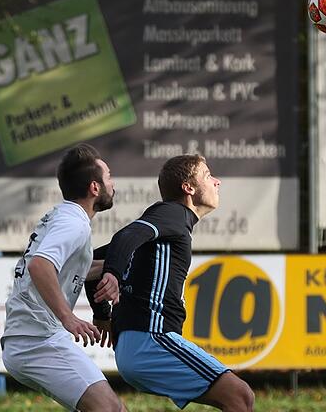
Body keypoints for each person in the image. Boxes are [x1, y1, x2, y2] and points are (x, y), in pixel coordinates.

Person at [100, 154, 254, 411]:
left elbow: (93, 261)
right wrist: (113, 274)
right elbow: (126, 235)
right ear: (188, 188)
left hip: (137, 346)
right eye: (207, 175)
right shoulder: (173, 213)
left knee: (233, 398)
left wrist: (102, 313)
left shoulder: (171, 224)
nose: (217, 182)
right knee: (240, 396)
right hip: (151, 339)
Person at [1, 143, 125, 412]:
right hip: (37, 342)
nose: (112, 183)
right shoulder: (74, 223)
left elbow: (72, 268)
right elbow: (40, 265)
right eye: (109, 177)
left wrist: (117, 267)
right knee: (110, 409)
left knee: (111, 408)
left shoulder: (63, 215)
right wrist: (68, 318)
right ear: (95, 188)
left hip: (29, 340)